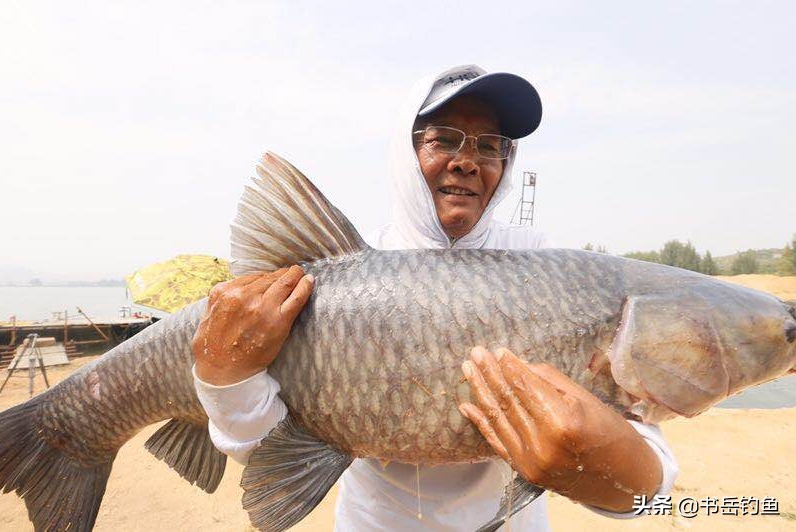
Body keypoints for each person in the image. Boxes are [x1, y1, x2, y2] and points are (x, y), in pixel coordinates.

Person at [191, 65, 678, 531]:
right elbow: (261, 449)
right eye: (444, 139)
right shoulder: (337, 267)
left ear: (506, 163)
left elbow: (649, 486)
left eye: (489, 145)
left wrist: (610, 468)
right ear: (405, 154)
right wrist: (221, 376)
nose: (467, 160)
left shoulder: (550, 271)